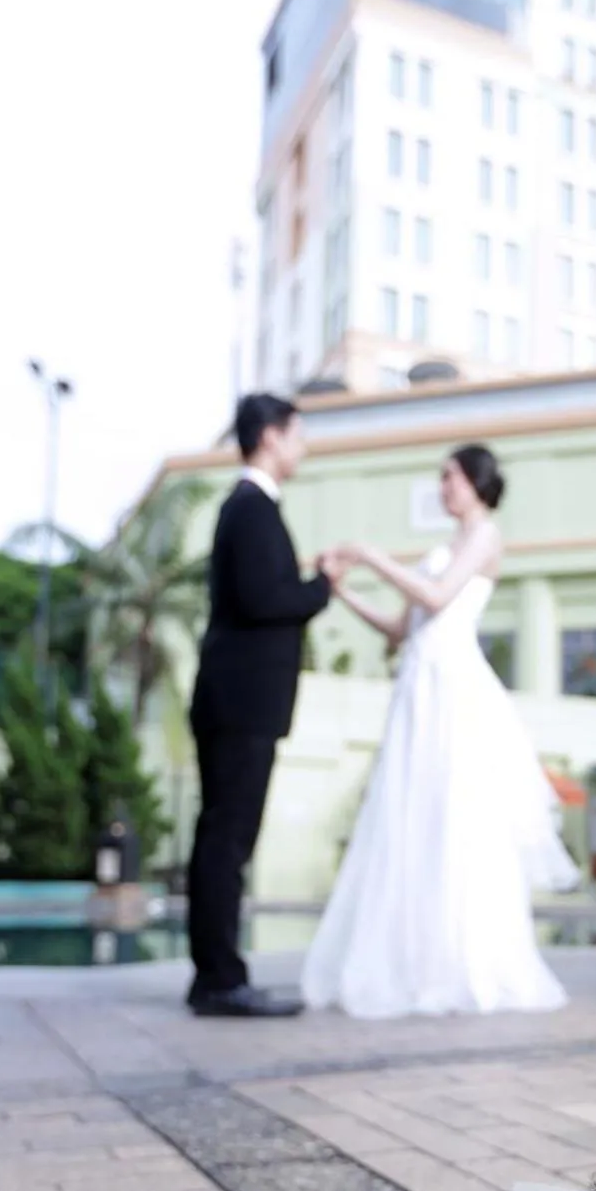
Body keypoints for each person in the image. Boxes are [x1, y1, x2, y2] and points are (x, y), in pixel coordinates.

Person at [302, 443, 578, 1018]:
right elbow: (400, 627)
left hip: (453, 689)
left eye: (451, 476)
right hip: (418, 688)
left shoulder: (485, 536)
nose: (443, 486)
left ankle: (460, 964)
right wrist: (342, 589)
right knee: (408, 818)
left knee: (457, 819)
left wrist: (369, 555)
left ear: (476, 482)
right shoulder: (447, 546)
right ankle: (409, 963)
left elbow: (436, 595)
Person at [187, 392, 336, 1017]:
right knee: (227, 842)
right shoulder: (251, 507)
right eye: (297, 434)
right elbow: (263, 600)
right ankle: (221, 979)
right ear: (271, 436)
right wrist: (321, 586)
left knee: (223, 838)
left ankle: (216, 975)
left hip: (238, 701)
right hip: (241, 701)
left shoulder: (250, 508)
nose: (303, 447)